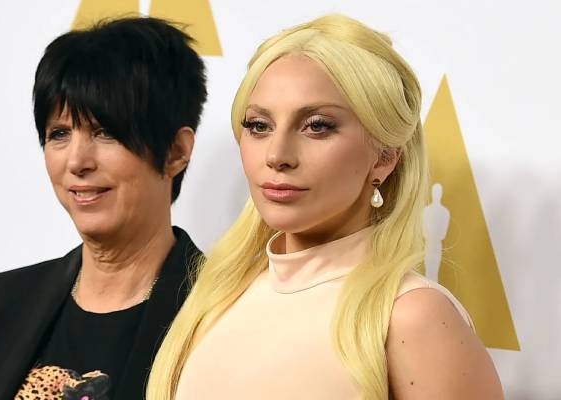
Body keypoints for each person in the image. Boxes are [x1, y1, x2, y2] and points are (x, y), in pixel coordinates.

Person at [147, 14, 503, 400]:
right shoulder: (216, 298)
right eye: (259, 126)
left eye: (317, 126)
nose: (277, 155)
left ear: (385, 156)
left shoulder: (412, 318)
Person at [0, 17, 207, 400]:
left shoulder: (219, 314)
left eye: (105, 132)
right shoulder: (5, 301)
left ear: (175, 152)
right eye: (59, 133)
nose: (77, 161)